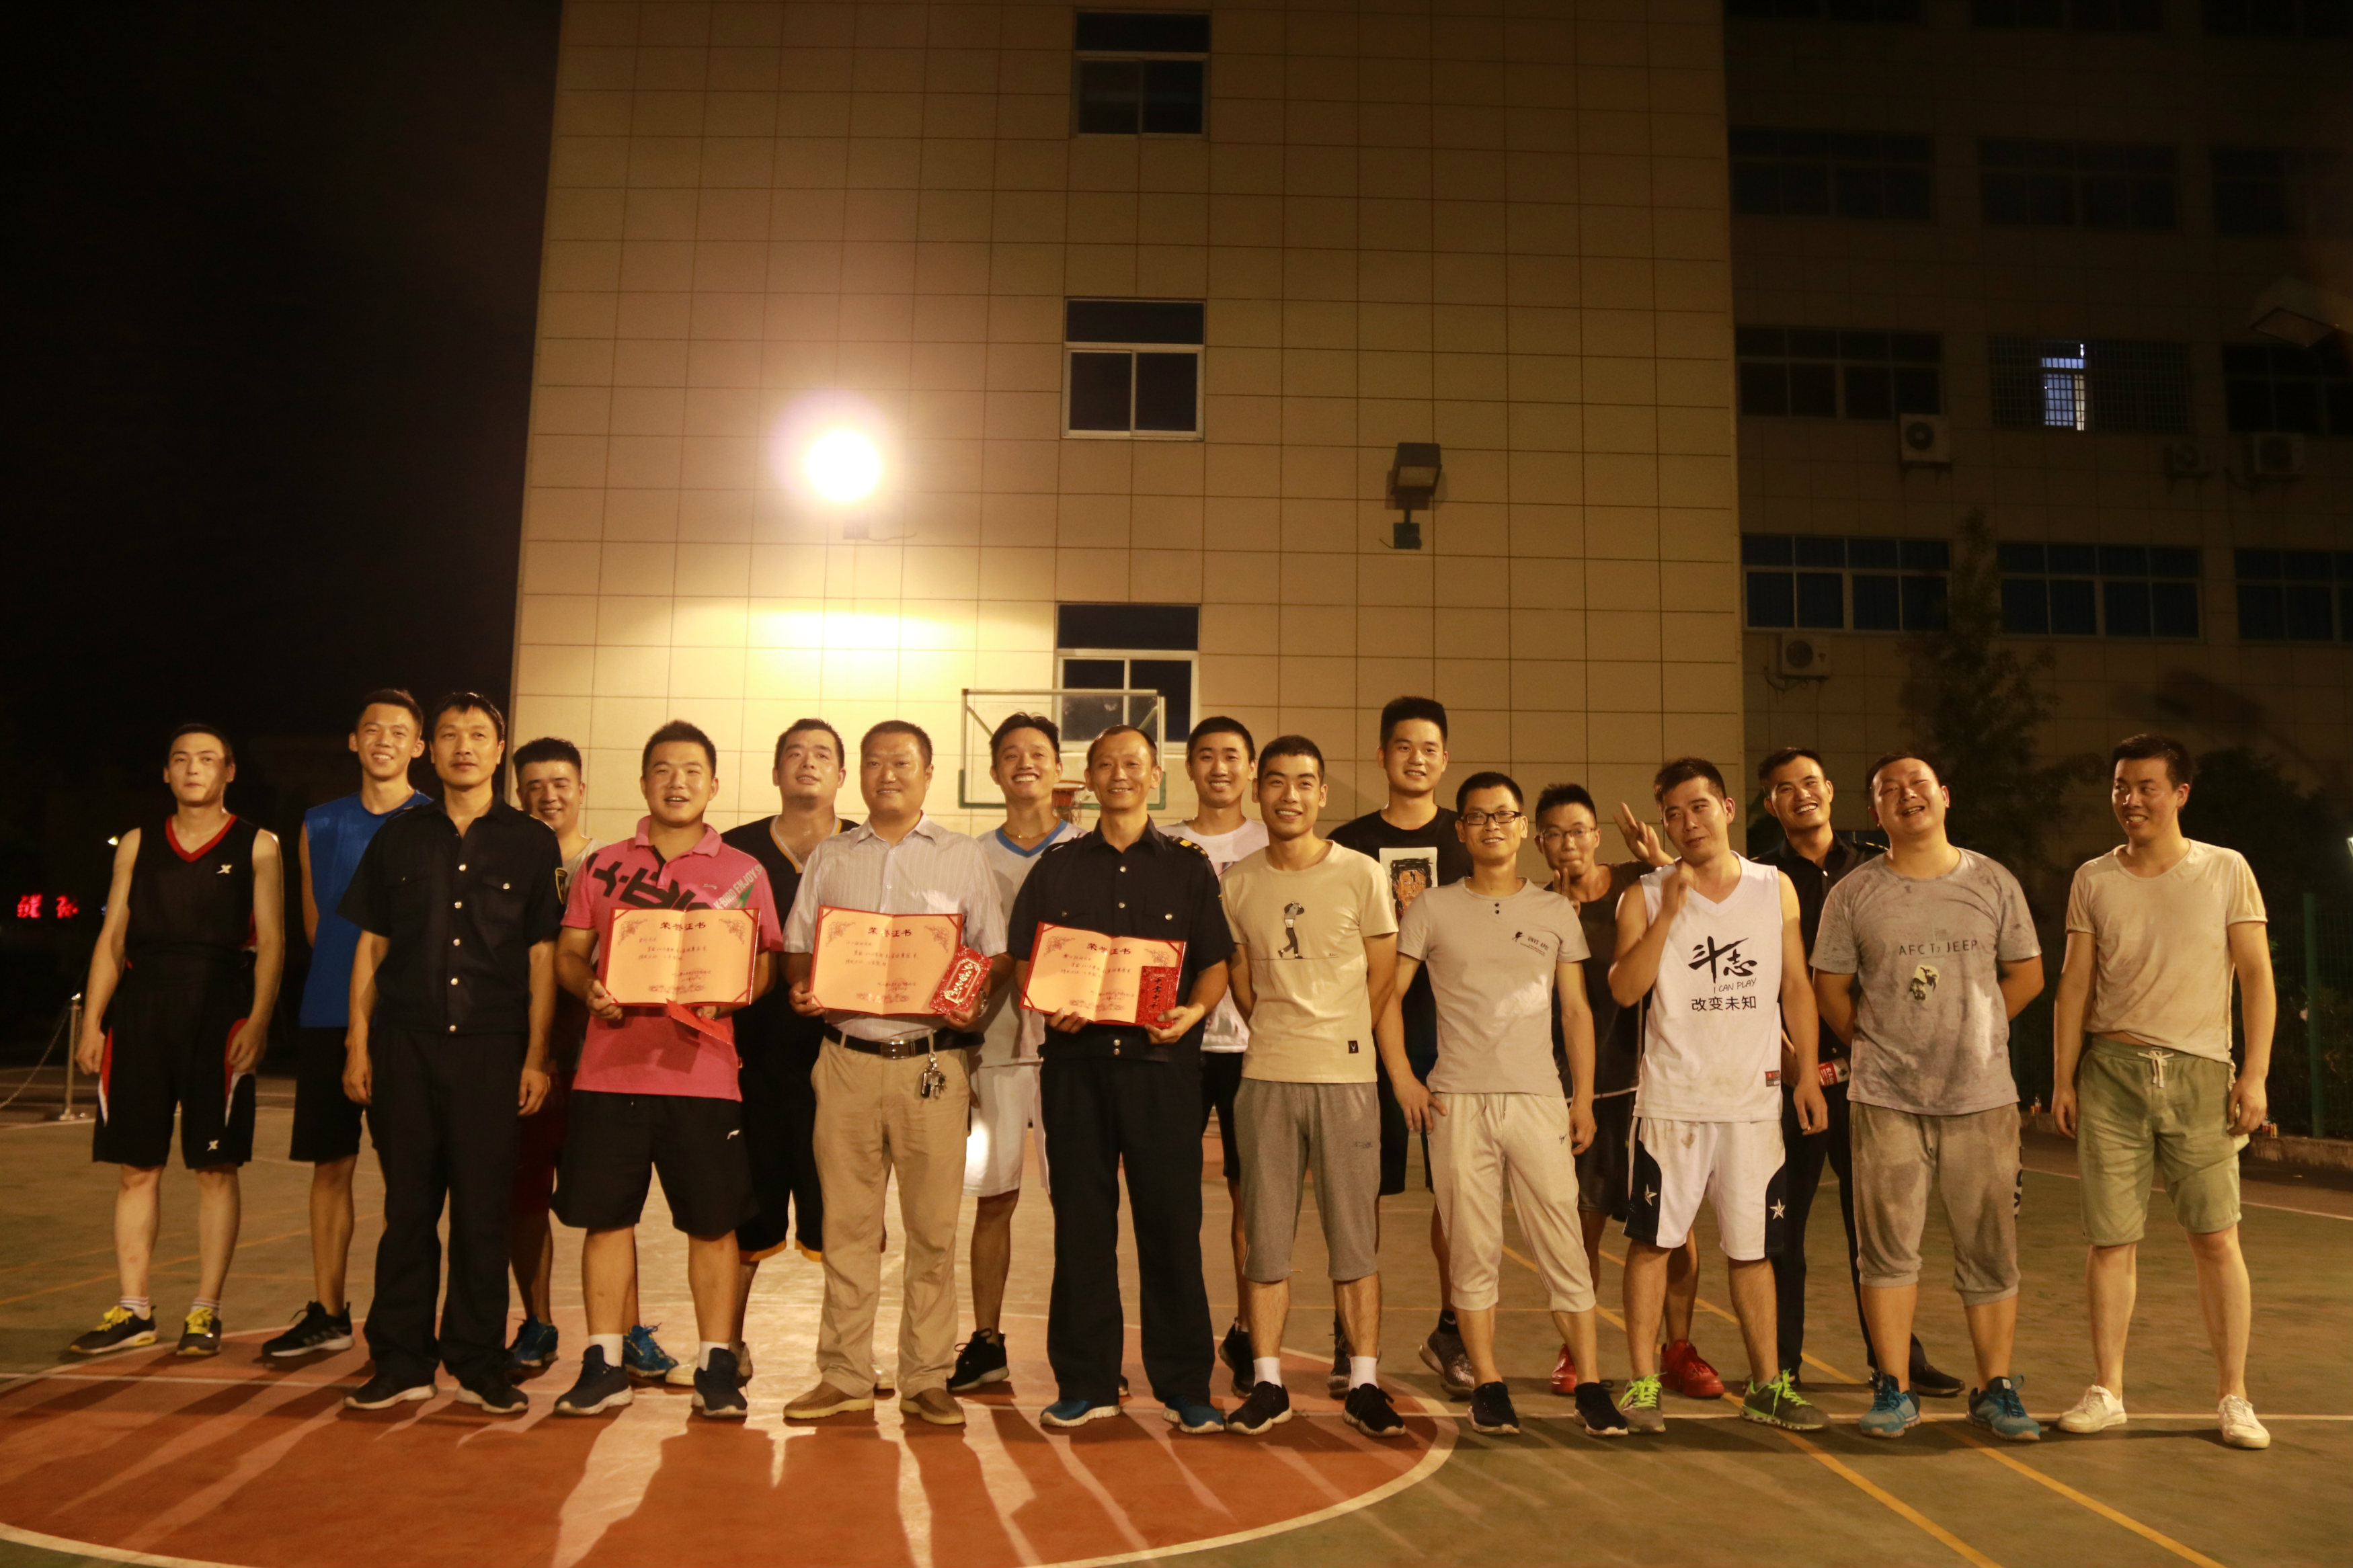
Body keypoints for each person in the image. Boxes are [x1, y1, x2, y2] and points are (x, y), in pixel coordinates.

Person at [549, 722, 783, 1420]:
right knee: (605, 1220)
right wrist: (587, 987)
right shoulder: (602, 865)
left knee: (712, 1225)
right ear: (644, 781)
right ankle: (603, 1361)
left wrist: (734, 993)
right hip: (608, 1072)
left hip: (703, 1076)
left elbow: (765, 963)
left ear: (713, 785)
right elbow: (569, 953)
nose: (676, 782)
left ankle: (716, 1364)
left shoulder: (745, 871)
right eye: (662, 770)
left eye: (691, 771)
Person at [779, 720, 1008, 1428]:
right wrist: (802, 985)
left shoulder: (963, 856)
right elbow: (798, 947)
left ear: (928, 772)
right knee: (847, 1226)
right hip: (845, 1060)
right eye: (875, 761)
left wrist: (971, 999)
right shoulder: (830, 856)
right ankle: (845, 1372)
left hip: (931, 1063)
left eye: (902, 762)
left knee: (933, 1230)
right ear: (859, 773)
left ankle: (926, 1375)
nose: (888, 773)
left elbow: (993, 954)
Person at [1007, 725, 1235, 1432]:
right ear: (1088, 778)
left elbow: (1215, 962)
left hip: (1162, 1072)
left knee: (1172, 1227)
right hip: (1075, 1071)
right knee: (1081, 1225)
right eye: (1105, 764)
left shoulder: (1189, 868)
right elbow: (1025, 958)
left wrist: (1193, 1011)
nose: (1119, 774)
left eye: (1133, 763)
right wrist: (1048, 1000)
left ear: (1155, 776)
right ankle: (1086, 1379)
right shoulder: (1056, 867)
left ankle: (1185, 1385)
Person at [2051, 734, 2276, 1450]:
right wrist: (2062, 1077)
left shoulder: (2225, 869)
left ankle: (2234, 1395)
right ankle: (2107, 1390)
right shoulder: (2093, 877)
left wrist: (2254, 1073)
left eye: (2146, 786)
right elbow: (2074, 984)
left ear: (2180, 793)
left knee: (2215, 1237)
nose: (2130, 799)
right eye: (2121, 786)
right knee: (2109, 1239)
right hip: (2112, 1073)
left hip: (2200, 1073)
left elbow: (2255, 974)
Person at [1812, 751, 2045, 1442]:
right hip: (1885, 1098)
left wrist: (1979, 1030)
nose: (1906, 795)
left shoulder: (1992, 880)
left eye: (1918, 784)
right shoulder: (1853, 893)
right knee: (1886, 1251)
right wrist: (1879, 1044)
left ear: (1944, 795)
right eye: (1889, 789)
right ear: (1874, 811)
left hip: (1981, 1097)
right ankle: (1893, 1385)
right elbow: (1829, 989)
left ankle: (1995, 1386)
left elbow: (2028, 974)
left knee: (1989, 1248)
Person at [337, 694, 559, 1415]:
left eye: (479, 735)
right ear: (430, 751)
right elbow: (372, 945)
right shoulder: (398, 838)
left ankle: (478, 1363)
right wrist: (358, 1042)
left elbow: (541, 956)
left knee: (482, 1213)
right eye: (450, 735)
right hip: (404, 1044)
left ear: (499, 749)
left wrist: (536, 1054)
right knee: (407, 1210)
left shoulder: (531, 843)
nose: (464, 746)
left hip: (492, 1050)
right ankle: (401, 1360)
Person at [1398, 772, 1628, 1438]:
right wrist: (1405, 1077)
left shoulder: (1554, 911)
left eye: (1504, 815)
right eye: (1478, 816)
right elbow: (1386, 994)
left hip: (1537, 1097)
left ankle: (1590, 1385)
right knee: (1472, 1249)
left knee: (1564, 1244)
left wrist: (1581, 1097)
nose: (1492, 826)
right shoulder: (1431, 907)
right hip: (1457, 1101)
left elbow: (1576, 1010)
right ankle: (1488, 1383)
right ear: (1461, 830)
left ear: (1523, 827)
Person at [1607, 756, 1828, 1435]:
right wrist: (1670, 911)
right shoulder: (1645, 894)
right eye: (1672, 813)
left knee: (1753, 1249)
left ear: (1728, 809)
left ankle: (1766, 1385)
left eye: (1698, 806)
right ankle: (1642, 1382)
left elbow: (1796, 986)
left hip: (1752, 1104)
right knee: (1653, 1243)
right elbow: (1625, 989)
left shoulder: (1773, 887)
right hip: (1671, 1102)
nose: (1687, 822)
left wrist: (1807, 1074)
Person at [68, 725, 285, 1360]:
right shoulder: (139, 842)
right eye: (181, 759)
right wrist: (93, 1021)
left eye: (207, 759)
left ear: (229, 771)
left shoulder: (258, 843)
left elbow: (273, 941)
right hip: (142, 1011)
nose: (194, 768)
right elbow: (112, 938)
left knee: (215, 1167)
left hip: (218, 1010)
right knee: (137, 1168)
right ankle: (133, 1309)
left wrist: (259, 1019)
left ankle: (205, 1309)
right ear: (166, 772)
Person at [1755, 747, 1960, 1399]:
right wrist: (1787, 1056)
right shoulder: (1758, 879)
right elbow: (1760, 980)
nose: (1801, 794)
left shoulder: (1876, 867)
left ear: (1830, 788)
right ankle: (1781, 1364)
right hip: (1792, 1078)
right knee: (1781, 1228)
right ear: (1769, 804)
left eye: (1809, 782)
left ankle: (1894, 1359)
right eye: (1784, 788)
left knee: (1875, 1228)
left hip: (1871, 1076)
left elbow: (1917, 959)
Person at [1222, 735, 1412, 1440]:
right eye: (1276, 781)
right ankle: (1268, 1382)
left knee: (1353, 1241)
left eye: (1304, 782)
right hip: (1266, 1077)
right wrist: (1280, 1031)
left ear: (1322, 793)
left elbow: (1383, 974)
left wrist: (1338, 1033)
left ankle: (1362, 1381)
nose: (1290, 795)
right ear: (1258, 791)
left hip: (1347, 1079)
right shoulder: (1238, 881)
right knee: (1266, 1242)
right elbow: (1241, 979)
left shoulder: (1361, 873)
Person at [504, 737, 687, 1384]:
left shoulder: (611, 866)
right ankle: (538, 1321)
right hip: (526, 1053)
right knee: (526, 1194)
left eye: (560, 783)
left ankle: (627, 1332)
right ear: (518, 794)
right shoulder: (506, 864)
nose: (548, 795)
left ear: (582, 790)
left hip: (603, 1054)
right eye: (534, 786)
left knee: (612, 1201)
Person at [264, 692, 426, 1359]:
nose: (385, 739)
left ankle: (402, 1318)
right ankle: (328, 1311)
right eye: (372, 729)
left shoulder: (435, 820)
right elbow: (315, 926)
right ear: (353, 741)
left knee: (407, 1176)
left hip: (406, 1021)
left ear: (418, 746)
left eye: (399, 731)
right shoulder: (319, 822)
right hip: (328, 1013)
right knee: (329, 1165)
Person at [1328, 696, 1474, 1397]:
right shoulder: (1347, 843)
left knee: (1456, 1197)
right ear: (1382, 755)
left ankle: (1452, 1330)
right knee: (1360, 1195)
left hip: (1456, 1043)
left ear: (1445, 759)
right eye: (1403, 746)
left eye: (1429, 747)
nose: (1416, 758)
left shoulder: (1469, 837)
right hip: (1364, 1041)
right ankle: (1349, 1337)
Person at [1532, 783, 1698, 1395]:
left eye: (1579, 830)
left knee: (1673, 1228)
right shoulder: (1538, 907)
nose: (1569, 843)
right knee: (1584, 1227)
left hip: (1650, 1081)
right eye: (1555, 833)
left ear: (1596, 836)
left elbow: (1697, 892)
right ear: (1539, 842)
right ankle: (1575, 1349)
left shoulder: (1637, 883)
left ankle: (1679, 1347)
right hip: (1582, 1090)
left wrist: (1658, 857)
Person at [948, 713, 1084, 1393]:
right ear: (994, 772)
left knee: (1078, 1203)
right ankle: (985, 1340)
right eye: (1010, 754)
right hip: (993, 1049)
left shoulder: (1089, 849)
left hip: (1075, 1052)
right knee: (993, 1199)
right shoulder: (969, 856)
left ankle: (1083, 1346)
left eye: (1038, 752)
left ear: (1059, 768)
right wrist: (957, 1034)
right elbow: (960, 952)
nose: (1024, 762)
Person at [719, 718, 856, 1381]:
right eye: (794, 754)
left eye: (822, 754)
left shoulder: (865, 848)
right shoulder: (732, 852)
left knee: (848, 1218)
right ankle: (725, 1344)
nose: (808, 763)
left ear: (841, 775)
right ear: (774, 771)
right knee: (744, 1212)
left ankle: (849, 1353)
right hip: (751, 1065)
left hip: (846, 1063)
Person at [1166, 715, 1268, 1390]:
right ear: (1189, 768)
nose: (1220, 767)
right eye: (1206, 755)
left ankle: (1249, 1332)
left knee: (1250, 1198)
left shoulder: (1273, 840)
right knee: (1174, 1198)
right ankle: (1180, 1336)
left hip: (1257, 1047)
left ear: (1251, 768)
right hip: (1178, 1039)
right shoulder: (1165, 844)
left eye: (1232, 755)